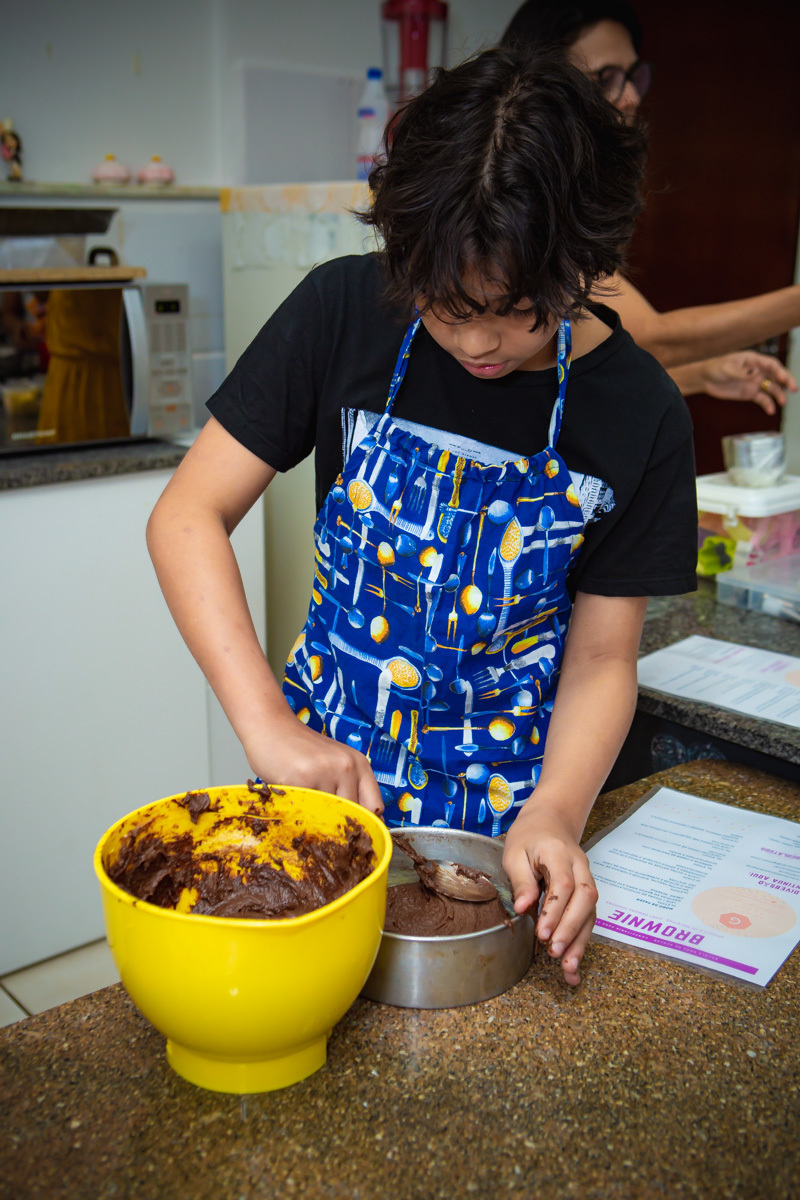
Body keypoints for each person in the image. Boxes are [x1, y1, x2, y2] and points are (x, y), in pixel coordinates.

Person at [146, 45, 698, 986]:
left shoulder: (638, 409)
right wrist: (268, 728)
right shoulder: (343, 312)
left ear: (584, 262)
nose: (480, 340)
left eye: (520, 311)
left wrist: (560, 812)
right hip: (318, 795)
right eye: (446, 306)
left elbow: (604, 658)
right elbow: (187, 515)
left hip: (506, 837)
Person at [502, 0, 799, 415]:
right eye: (607, 78)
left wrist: (701, 374)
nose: (630, 97)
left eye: (633, 76)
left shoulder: (577, 194)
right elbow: (648, 335)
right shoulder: (519, 191)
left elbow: (576, 364)